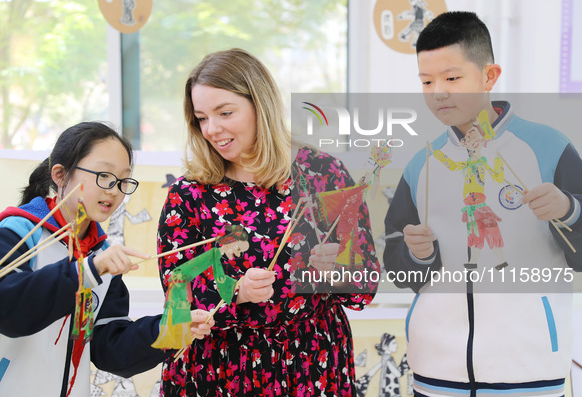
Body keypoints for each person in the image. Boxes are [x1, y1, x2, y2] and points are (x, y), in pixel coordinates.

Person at [383, 11, 582, 396]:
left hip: (529, 371)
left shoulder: (547, 148)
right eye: (426, 81)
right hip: (435, 373)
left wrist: (569, 210)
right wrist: (418, 255)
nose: (438, 92)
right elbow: (400, 268)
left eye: (452, 78)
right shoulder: (421, 164)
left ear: (490, 76)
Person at [157, 48, 380, 396]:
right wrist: (237, 292)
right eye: (201, 118)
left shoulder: (323, 174)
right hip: (220, 368)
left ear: (260, 105)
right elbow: (176, 295)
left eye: (225, 112)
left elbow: (364, 287)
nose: (212, 129)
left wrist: (337, 270)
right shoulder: (189, 193)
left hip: (310, 364)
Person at [0, 122, 214, 397]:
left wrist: (171, 329)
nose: (114, 190)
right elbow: (10, 311)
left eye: (123, 180)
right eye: (104, 176)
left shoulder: (100, 254)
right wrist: (88, 270)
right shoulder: (17, 233)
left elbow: (110, 351)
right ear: (60, 175)